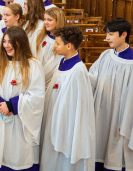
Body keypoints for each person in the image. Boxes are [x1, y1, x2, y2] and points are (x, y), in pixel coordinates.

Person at [88, 19, 133, 171]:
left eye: (111, 34)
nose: (107, 38)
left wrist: (124, 119)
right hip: (102, 114)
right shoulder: (106, 55)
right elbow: (94, 77)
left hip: (120, 118)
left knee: (114, 152)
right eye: (106, 34)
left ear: (124, 34)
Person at [0, 26, 45, 171]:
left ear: (21, 42)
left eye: (11, 42)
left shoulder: (33, 65)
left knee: (17, 155)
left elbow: (36, 95)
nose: (7, 46)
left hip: (19, 122)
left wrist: (11, 105)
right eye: (4, 41)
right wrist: (0, 105)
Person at [40, 26, 95, 171]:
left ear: (69, 46)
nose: (55, 46)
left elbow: (76, 105)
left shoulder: (78, 70)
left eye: (57, 43)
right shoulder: (62, 61)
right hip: (54, 115)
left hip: (67, 123)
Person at [34, 7, 65, 87]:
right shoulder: (39, 34)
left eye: (49, 20)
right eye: (45, 19)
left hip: (52, 81)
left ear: (58, 21)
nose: (46, 22)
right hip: (36, 76)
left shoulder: (63, 41)